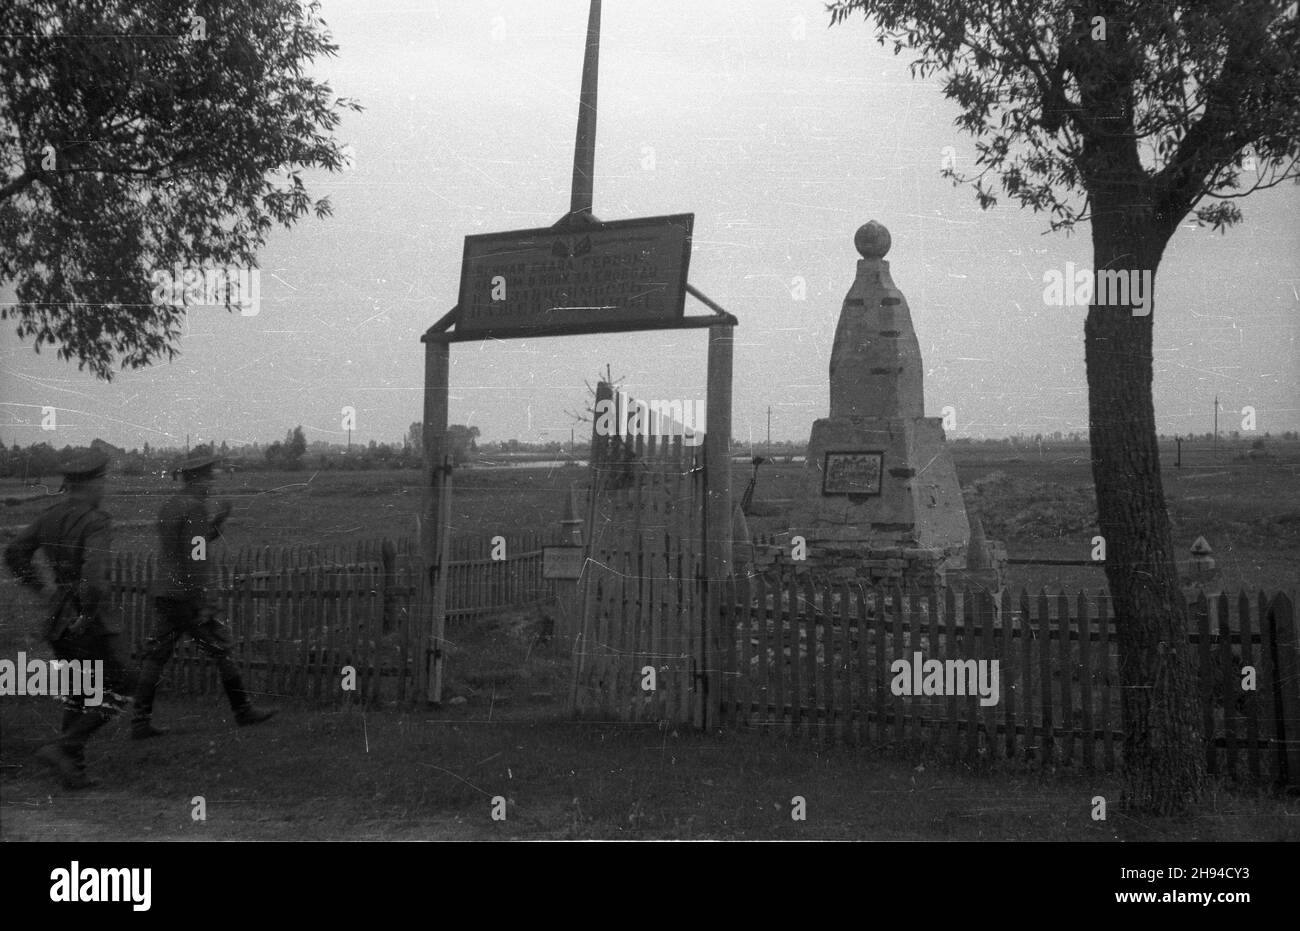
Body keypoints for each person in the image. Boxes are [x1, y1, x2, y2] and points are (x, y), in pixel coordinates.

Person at [3, 449, 134, 789]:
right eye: (102, 480)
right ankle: (64, 748)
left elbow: (14, 553)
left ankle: (71, 770)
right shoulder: (96, 520)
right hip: (86, 621)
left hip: (57, 617)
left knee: (79, 690)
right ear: (91, 483)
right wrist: (88, 615)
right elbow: (94, 579)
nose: (104, 487)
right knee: (124, 684)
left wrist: (43, 591)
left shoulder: (49, 515)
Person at [132, 452, 275, 738]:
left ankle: (139, 722)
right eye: (210, 476)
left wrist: (217, 522)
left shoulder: (172, 505)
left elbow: (184, 543)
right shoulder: (195, 508)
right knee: (221, 648)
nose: (213, 481)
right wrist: (204, 600)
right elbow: (195, 556)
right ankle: (243, 710)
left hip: (165, 590)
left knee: (157, 655)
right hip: (186, 595)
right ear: (198, 478)